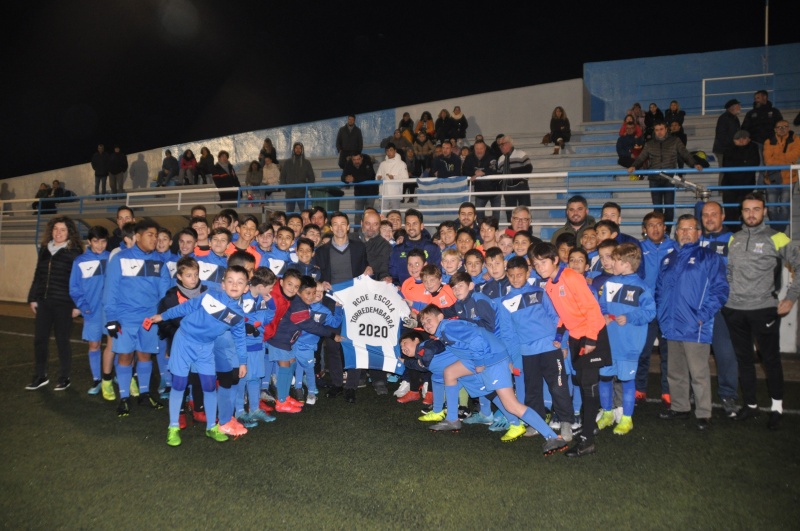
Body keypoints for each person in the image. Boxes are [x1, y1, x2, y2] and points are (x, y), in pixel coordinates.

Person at [723, 193, 800, 430]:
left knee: (770, 360)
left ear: (764, 211)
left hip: (763, 309)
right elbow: (729, 273)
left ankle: (777, 407)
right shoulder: (733, 239)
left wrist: (791, 297)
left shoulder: (776, 238)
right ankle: (751, 405)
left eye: (756, 209)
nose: (751, 214)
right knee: (744, 360)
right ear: (741, 213)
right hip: (735, 310)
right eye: (747, 210)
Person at [151, 263, 251, 446]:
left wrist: (242, 362)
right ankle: (173, 427)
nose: (234, 285)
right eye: (230, 280)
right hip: (184, 341)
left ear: (246, 288)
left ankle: (212, 427)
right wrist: (162, 316)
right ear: (223, 284)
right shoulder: (211, 295)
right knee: (179, 383)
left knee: (209, 385)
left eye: (239, 282)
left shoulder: (237, 315)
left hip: (205, 347)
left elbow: (240, 338)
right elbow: (187, 307)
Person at [530, 242, 611, 457]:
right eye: (536, 264)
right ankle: (586, 431)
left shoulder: (573, 277)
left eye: (543, 262)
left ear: (555, 259)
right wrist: (559, 336)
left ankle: (587, 440)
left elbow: (592, 309)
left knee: (589, 386)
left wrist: (592, 340)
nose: (540, 267)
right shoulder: (549, 285)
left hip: (592, 335)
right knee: (583, 384)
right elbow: (562, 316)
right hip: (575, 338)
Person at [657, 215, 728, 430]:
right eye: (682, 229)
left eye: (691, 228)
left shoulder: (709, 257)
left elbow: (721, 290)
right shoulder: (668, 259)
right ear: (676, 233)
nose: (686, 232)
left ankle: (704, 413)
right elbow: (660, 290)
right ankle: (680, 408)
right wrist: (662, 315)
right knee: (675, 371)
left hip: (694, 326)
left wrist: (701, 316)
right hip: (670, 326)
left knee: (698, 372)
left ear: (698, 233)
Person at [104, 219, 165, 416]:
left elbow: (164, 294)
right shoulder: (120, 259)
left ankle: (144, 394)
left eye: (156, 235)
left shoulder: (160, 261)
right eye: (150, 235)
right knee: (125, 356)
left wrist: (162, 317)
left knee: (145, 355)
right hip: (124, 319)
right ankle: (123, 397)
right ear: (137, 236)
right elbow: (110, 290)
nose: (154, 239)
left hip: (149, 320)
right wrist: (111, 319)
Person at [596, 243, 656, 435]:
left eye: (615, 260)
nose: (611, 263)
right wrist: (604, 314)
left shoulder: (641, 287)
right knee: (605, 377)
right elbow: (602, 304)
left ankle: (627, 419)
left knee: (626, 380)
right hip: (609, 343)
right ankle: (607, 413)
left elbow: (650, 312)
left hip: (629, 344)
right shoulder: (610, 283)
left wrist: (630, 318)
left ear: (626, 263)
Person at [314, 212, 373, 402]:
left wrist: (369, 270)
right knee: (332, 343)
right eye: (335, 224)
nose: (339, 228)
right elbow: (318, 275)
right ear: (331, 228)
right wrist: (321, 282)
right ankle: (337, 383)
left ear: (348, 227)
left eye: (343, 224)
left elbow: (366, 269)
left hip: (355, 301)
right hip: (332, 302)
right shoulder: (322, 251)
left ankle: (351, 386)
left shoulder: (359, 247)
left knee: (354, 343)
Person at [25, 217, 84, 391]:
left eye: (63, 230)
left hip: (64, 303)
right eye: (56, 229)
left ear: (69, 232)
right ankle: (40, 375)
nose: (58, 233)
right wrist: (33, 298)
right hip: (44, 301)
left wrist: (77, 305)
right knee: (40, 340)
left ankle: (64, 377)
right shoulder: (45, 249)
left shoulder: (75, 252)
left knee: (62, 340)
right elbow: (38, 274)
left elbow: (79, 281)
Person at [698, 201, 740, 417]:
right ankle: (691, 394)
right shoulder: (697, 239)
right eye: (705, 214)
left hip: (722, 307)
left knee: (725, 353)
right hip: (697, 307)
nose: (709, 218)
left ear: (723, 216)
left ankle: (728, 394)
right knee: (694, 354)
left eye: (714, 214)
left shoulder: (734, 240)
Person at [627, 121, 704, 230]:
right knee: (657, 209)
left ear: (666, 129)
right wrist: (634, 166)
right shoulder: (649, 143)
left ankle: (667, 233)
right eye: (657, 130)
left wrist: (694, 164)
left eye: (661, 129)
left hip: (669, 179)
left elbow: (685, 154)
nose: (659, 132)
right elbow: (641, 157)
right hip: (654, 179)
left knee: (669, 208)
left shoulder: (675, 141)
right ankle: (658, 231)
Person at [69, 225, 110, 395]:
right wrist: (84, 307)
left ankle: (110, 376)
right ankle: (96, 379)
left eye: (103, 241)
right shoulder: (80, 261)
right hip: (92, 312)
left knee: (114, 344)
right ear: (89, 241)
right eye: (96, 241)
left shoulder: (112, 258)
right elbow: (74, 288)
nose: (100, 245)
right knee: (94, 345)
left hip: (110, 311)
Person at [762, 120, 799, 233]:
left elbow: (794, 157)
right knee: (771, 208)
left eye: (785, 127)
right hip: (772, 179)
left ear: (788, 128)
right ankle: (775, 231)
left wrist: (776, 158)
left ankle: (780, 232)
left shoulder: (796, 139)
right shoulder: (768, 141)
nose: (782, 129)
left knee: (784, 207)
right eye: (779, 127)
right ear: (775, 129)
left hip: (789, 179)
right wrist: (785, 158)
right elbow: (768, 161)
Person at [389, 208, 442, 286]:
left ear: (421, 226)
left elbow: (438, 273)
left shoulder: (433, 248)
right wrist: (397, 285)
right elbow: (393, 276)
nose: (411, 227)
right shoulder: (397, 250)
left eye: (414, 224)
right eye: (408, 224)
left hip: (427, 293)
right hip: (403, 293)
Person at [721, 130, 760, 229]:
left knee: (744, 211)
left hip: (746, 185)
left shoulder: (753, 147)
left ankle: (743, 233)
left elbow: (755, 163)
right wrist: (744, 161)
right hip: (730, 185)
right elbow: (726, 165)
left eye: (744, 138)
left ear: (749, 139)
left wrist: (739, 162)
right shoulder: (728, 148)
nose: (741, 141)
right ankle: (731, 234)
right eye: (738, 139)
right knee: (730, 213)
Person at [496, 135, 532, 223]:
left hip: (521, 186)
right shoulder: (501, 159)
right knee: (510, 211)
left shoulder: (521, 154)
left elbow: (529, 168)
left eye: (502, 144)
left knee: (525, 209)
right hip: (507, 187)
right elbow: (499, 173)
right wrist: (503, 183)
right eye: (499, 145)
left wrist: (518, 178)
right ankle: (511, 233)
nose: (501, 147)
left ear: (509, 144)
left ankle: (527, 232)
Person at [341, 152, 377, 225]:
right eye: (354, 160)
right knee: (358, 215)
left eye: (358, 159)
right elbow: (343, 177)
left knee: (369, 214)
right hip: (359, 193)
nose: (356, 161)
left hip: (371, 192)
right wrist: (346, 179)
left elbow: (369, 176)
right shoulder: (349, 163)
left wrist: (354, 179)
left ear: (362, 158)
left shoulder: (367, 162)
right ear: (352, 159)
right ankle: (356, 233)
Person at [280, 142, 315, 212]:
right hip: (290, 192)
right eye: (296, 148)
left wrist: (306, 187)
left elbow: (312, 177)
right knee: (289, 213)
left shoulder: (306, 163)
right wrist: (285, 187)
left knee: (304, 213)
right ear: (293, 150)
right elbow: (282, 176)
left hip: (302, 192)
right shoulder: (287, 163)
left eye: (300, 148)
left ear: (302, 150)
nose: (298, 150)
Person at [359, 209, 391, 282]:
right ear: (361, 223)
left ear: (379, 225)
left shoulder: (384, 245)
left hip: (373, 287)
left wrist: (385, 278)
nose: (371, 228)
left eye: (375, 224)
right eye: (368, 223)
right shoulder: (350, 239)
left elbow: (383, 270)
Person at [376, 143, 409, 210]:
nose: (389, 152)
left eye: (391, 150)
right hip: (383, 193)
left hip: (395, 193)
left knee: (395, 214)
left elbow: (406, 178)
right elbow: (377, 176)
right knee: (383, 215)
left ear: (395, 151)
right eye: (387, 151)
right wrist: (378, 178)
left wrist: (394, 177)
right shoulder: (382, 164)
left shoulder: (401, 164)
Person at [713, 99, 742, 168]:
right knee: (724, 171)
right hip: (724, 151)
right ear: (732, 107)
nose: (740, 107)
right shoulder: (724, 118)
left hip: (730, 150)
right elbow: (721, 136)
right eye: (738, 105)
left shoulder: (735, 119)